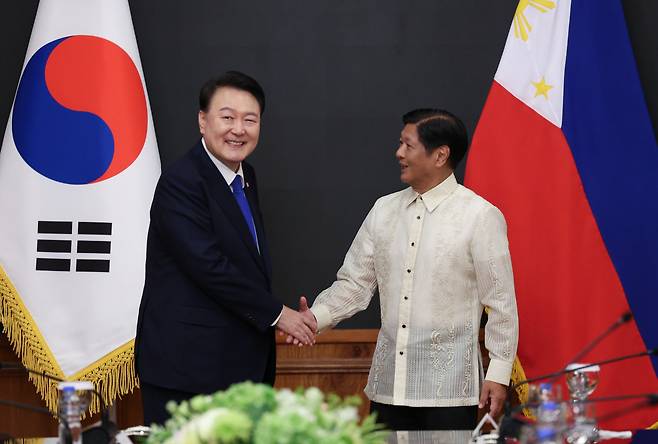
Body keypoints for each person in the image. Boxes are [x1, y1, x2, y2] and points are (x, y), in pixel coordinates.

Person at [300, 108, 519, 430]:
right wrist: (313, 319)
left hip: (449, 395)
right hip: (388, 388)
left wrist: (498, 373)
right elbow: (355, 284)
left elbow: (501, 303)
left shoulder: (480, 216)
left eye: (408, 145)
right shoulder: (383, 210)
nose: (398, 153)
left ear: (440, 155)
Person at [135, 71, 316, 425]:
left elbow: (246, 262)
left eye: (250, 119)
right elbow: (209, 266)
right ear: (203, 121)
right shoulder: (181, 182)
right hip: (187, 371)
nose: (239, 129)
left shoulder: (245, 176)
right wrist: (281, 315)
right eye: (227, 117)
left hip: (235, 367)